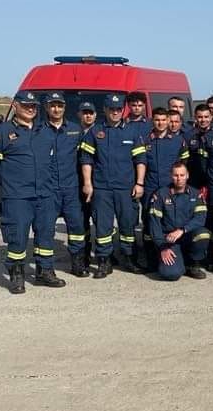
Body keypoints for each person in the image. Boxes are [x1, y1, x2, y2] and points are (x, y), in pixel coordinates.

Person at [0, 90, 62, 293]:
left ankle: (45, 271)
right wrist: (9, 184)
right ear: (15, 105)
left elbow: (52, 162)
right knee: (17, 236)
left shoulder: (44, 131)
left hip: (44, 194)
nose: (30, 109)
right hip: (17, 196)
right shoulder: (2, 131)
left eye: (33, 106)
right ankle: (16, 275)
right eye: (26, 105)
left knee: (46, 234)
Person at [79, 93, 147, 277]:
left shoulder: (132, 131)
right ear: (105, 110)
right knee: (103, 227)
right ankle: (104, 261)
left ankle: (129, 258)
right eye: (112, 109)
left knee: (128, 225)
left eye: (118, 109)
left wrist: (139, 183)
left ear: (122, 110)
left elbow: (140, 159)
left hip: (126, 188)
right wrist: (87, 183)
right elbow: (87, 160)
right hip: (102, 189)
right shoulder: (95, 131)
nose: (115, 112)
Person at [38, 91, 89, 277]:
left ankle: (77, 263)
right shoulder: (38, 131)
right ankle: (45, 269)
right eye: (52, 105)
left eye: (59, 105)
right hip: (48, 190)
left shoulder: (75, 130)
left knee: (76, 228)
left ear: (64, 108)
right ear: (46, 108)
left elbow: (85, 159)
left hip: (71, 189)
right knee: (45, 229)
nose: (56, 109)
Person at [141, 108, 189, 270]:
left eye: (163, 120)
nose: (160, 123)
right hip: (150, 187)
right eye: (157, 120)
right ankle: (150, 258)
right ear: (152, 121)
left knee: (170, 220)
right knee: (149, 223)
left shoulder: (178, 140)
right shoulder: (145, 140)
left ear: (169, 121)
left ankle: (175, 253)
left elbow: (183, 165)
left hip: (171, 188)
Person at [147, 162, 209, 280]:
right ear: (171, 176)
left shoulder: (196, 195)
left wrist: (182, 230)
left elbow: (200, 219)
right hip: (169, 240)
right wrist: (162, 247)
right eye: (176, 175)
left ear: (187, 175)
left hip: (187, 236)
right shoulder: (161, 195)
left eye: (182, 175)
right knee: (171, 274)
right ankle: (176, 262)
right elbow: (154, 224)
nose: (179, 178)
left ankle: (192, 264)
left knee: (203, 234)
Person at [77, 101, 98, 268]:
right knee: (82, 221)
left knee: (102, 221)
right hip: (77, 184)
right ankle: (84, 254)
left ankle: (106, 254)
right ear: (79, 115)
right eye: (85, 113)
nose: (88, 115)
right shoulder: (73, 133)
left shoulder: (101, 133)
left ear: (95, 115)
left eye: (90, 112)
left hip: (98, 185)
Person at [186, 104, 213, 188]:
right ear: (195, 117)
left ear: (211, 117)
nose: (203, 120)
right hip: (194, 180)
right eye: (200, 117)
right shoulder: (188, 136)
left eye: (206, 117)